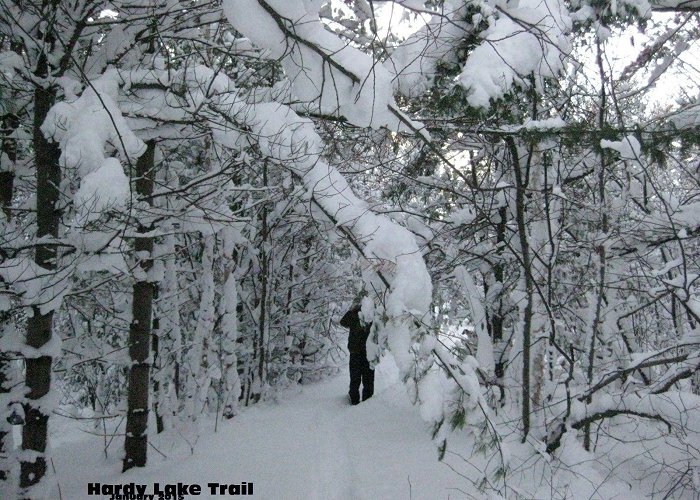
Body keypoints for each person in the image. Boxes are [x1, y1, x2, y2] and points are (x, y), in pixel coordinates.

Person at [340, 302, 374, 405]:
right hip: (367, 352)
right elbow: (343, 322)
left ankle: (355, 401)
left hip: (359, 352)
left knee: (356, 378)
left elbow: (343, 322)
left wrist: (353, 310)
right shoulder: (371, 314)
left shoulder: (357, 314)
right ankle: (367, 403)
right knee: (367, 379)